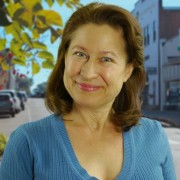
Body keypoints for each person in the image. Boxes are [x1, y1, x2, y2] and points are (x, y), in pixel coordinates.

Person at [0, 2, 176, 180]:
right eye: (80, 54)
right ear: (64, 59)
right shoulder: (27, 143)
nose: (88, 72)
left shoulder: (154, 136)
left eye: (106, 59)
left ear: (128, 70)